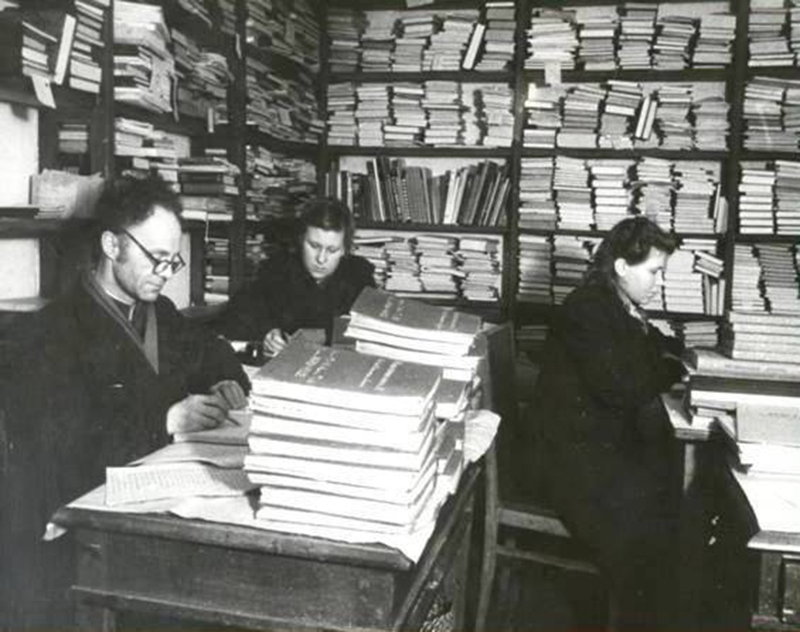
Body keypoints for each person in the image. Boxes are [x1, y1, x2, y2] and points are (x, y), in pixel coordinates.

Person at [0, 176, 249, 629]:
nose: (165, 271)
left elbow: (211, 351)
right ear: (112, 245)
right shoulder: (51, 332)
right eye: (156, 257)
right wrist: (166, 420)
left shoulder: (159, 313)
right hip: (85, 534)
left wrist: (225, 379)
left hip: (154, 511)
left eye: (173, 260)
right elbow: (64, 448)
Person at [531, 216, 686, 630]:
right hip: (567, 463)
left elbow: (656, 348)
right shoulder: (588, 308)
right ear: (621, 267)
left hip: (595, 450)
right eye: (653, 271)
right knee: (656, 526)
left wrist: (682, 357)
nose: (658, 283)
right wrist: (671, 369)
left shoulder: (618, 305)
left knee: (669, 501)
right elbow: (623, 386)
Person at [215, 197, 375, 356]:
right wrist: (267, 332)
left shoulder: (359, 275)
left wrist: (320, 335)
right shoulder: (276, 269)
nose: (321, 259)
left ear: (345, 249)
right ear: (301, 240)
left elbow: (373, 332)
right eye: (314, 246)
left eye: (332, 250)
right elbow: (240, 311)